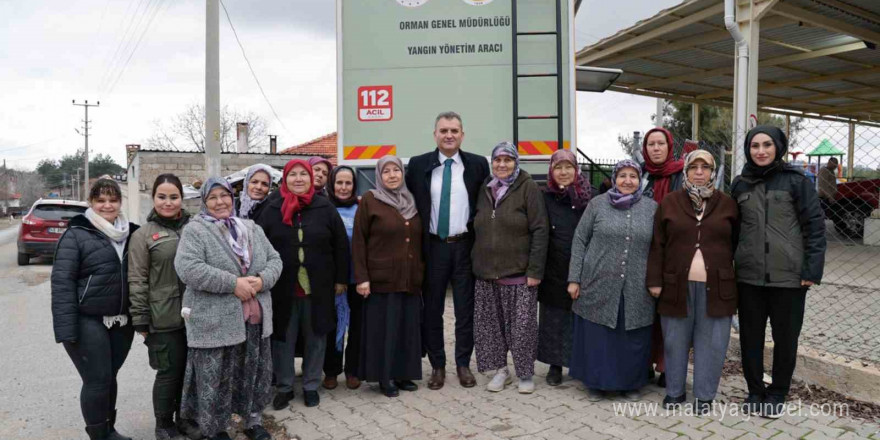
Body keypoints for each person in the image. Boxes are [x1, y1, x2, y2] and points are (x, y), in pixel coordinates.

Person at [173, 177, 282, 440]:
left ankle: (253, 421)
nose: (220, 201)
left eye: (224, 195)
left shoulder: (251, 228)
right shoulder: (195, 230)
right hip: (215, 321)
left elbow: (275, 259)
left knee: (254, 374)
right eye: (213, 197)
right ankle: (215, 428)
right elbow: (188, 268)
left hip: (254, 318)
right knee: (216, 379)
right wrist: (233, 284)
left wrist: (262, 279)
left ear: (232, 198)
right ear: (204, 202)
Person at [732, 126, 826, 418]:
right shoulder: (740, 184)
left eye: (767, 145)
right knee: (750, 338)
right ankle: (755, 390)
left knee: (786, 339)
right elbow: (732, 231)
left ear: (779, 147)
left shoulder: (797, 181)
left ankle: (778, 392)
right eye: (754, 145)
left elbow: (814, 227)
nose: (760, 151)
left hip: (790, 277)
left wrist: (812, 269)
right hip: (748, 278)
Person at [646, 150, 738, 414]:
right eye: (694, 167)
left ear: (713, 171)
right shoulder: (670, 202)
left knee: (712, 343)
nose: (699, 171)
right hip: (676, 286)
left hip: (717, 287)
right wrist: (655, 281)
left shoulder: (728, 204)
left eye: (705, 167)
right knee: (675, 340)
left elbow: (736, 244)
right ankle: (674, 392)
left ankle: (705, 396)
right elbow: (657, 245)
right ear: (685, 171)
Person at [405, 111, 490, 390]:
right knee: (432, 310)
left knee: (466, 310)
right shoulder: (418, 165)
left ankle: (463, 364)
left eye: (454, 130)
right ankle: (438, 366)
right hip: (432, 247)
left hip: (465, 246)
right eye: (444, 130)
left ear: (462, 135)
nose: (449, 135)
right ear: (435, 135)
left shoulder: (477, 165)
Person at [256, 159, 349, 409]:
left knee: (316, 336)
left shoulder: (325, 207)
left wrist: (341, 279)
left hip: (318, 287)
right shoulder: (272, 208)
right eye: (293, 175)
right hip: (281, 288)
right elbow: (259, 248)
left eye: (303, 175)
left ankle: (310, 385)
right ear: (284, 179)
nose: (298, 179)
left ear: (311, 178)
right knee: (283, 337)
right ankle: (285, 387)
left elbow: (340, 244)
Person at [52, 178, 140, 440]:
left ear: (120, 202)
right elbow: (62, 283)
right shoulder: (76, 234)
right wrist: (66, 329)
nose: (107, 205)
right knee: (97, 379)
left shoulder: (131, 233)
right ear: (91, 203)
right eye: (100, 200)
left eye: (113, 199)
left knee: (110, 377)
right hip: (86, 319)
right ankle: (99, 435)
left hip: (122, 321)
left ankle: (109, 428)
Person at [567, 160, 658, 402]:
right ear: (614, 178)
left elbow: (660, 248)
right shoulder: (597, 204)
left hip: (636, 286)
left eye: (633, 176)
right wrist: (574, 278)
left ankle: (630, 384)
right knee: (599, 337)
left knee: (630, 336)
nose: (628, 181)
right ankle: (596, 383)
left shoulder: (652, 208)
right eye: (622, 176)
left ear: (640, 180)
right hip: (597, 281)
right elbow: (579, 240)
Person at [472, 142, 549, 393]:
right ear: (492, 162)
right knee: (491, 328)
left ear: (516, 162)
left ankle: (525, 373)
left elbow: (540, 230)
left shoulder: (528, 187)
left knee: (522, 328)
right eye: (497, 160)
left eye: (508, 160)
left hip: (519, 274)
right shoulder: (485, 188)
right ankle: (500, 371)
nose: (502, 165)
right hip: (486, 274)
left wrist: (535, 271)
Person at [128, 174, 201, 440]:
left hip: (196, 314)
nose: (168, 202)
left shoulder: (194, 227)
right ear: (153, 198)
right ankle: (163, 424)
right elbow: (137, 278)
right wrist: (140, 319)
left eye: (174, 197)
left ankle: (184, 419)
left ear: (182, 198)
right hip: (163, 317)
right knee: (169, 371)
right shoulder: (143, 235)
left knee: (190, 371)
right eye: (162, 197)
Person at [352, 156, 425, 397]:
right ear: (379, 176)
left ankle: (404, 374)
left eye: (397, 170)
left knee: (406, 328)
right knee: (384, 330)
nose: (393, 175)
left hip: (409, 278)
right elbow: (359, 241)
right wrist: (361, 278)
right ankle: (385, 377)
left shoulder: (412, 200)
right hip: (381, 279)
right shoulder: (370, 200)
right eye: (387, 172)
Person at [538, 149, 590, 386]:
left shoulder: (590, 197)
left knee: (578, 319)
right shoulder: (544, 197)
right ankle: (555, 365)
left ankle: (579, 364)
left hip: (583, 267)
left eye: (568, 167)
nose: (563, 172)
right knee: (553, 319)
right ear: (551, 171)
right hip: (553, 266)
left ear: (576, 169)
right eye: (558, 167)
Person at [640, 126, 684, 388]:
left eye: (660, 144)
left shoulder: (682, 174)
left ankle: (668, 367)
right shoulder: (639, 175)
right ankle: (643, 363)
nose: (656, 148)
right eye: (651, 144)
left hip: (672, 254)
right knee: (644, 313)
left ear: (669, 147)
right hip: (642, 254)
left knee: (671, 314)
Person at [322, 165, 362, 390]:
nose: (344, 187)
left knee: (357, 326)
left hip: (357, 278)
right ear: (332, 184)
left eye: (348, 183)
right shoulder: (323, 207)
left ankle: (353, 370)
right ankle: (331, 371)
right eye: (339, 183)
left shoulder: (361, 207)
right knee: (332, 326)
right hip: (332, 280)